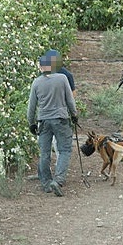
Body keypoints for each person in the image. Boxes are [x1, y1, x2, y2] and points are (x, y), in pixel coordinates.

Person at [27, 52, 79, 197]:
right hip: (61, 119)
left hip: (43, 120)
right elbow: (70, 100)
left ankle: (46, 183)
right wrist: (74, 115)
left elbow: (31, 107)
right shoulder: (62, 79)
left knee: (44, 153)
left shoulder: (36, 82)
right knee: (64, 150)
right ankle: (59, 180)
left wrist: (31, 123)